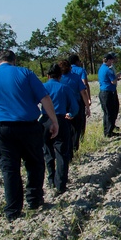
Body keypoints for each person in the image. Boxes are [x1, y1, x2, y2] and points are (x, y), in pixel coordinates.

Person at [0, 50, 58, 220]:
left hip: (0, 129)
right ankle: (34, 200)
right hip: (27, 126)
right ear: (14, 61)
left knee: (9, 169)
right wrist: (54, 121)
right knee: (34, 163)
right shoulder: (25, 73)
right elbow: (45, 97)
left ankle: (12, 211)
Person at [42, 64, 78, 194]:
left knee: (47, 151)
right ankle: (61, 183)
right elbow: (74, 107)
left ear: (47, 76)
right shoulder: (64, 88)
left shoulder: (42, 87)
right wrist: (71, 114)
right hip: (61, 120)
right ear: (60, 76)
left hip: (45, 121)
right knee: (62, 153)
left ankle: (51, 178)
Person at [61, 57, 91, 152]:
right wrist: (87, 106)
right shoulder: (75, 77)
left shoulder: (59, 78)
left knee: (66, 128)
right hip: (76, 104)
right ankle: (74, 148)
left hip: (63, 106)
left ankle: (66, 148)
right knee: (77, 127)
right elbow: (83, 92)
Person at [98, 53, 121, 137]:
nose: (112, 61)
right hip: (108, 93)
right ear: (108, 60)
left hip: (104, 92)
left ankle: (107, 130)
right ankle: (109, 131)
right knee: (111, 112)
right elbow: (113, 81)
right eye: (111, 60)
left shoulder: (101, 68)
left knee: (106, 112)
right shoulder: (108, 69)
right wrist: (117, 76)